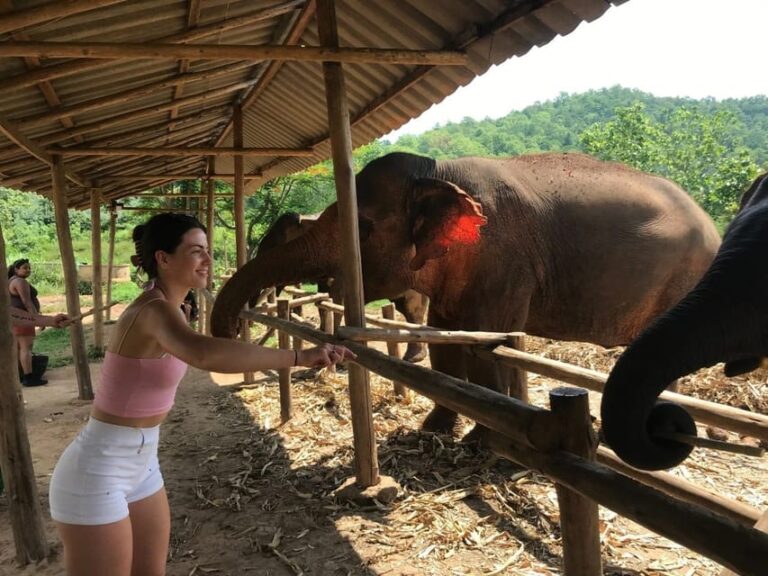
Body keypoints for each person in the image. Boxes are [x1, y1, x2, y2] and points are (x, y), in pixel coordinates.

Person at [49, 212, 355, 576]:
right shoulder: (152, 311)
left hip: (143, 462)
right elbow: (205, 353)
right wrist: (299, 356)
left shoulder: (174, 309)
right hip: (98, 468)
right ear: (163, 259)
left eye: (207, 250)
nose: (208, 260)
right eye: (196, 252)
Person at [8, 258, 56, 386]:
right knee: (26, 348)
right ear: (16, 269)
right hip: (24, 319)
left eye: (29, 268)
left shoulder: (11, 281)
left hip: (16, 320)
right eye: (25, 267)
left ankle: (21, 376)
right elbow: (27, 302)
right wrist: (38, 320)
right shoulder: (19, 281)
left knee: (19, 349)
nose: (28, 270)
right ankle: (29, 377)